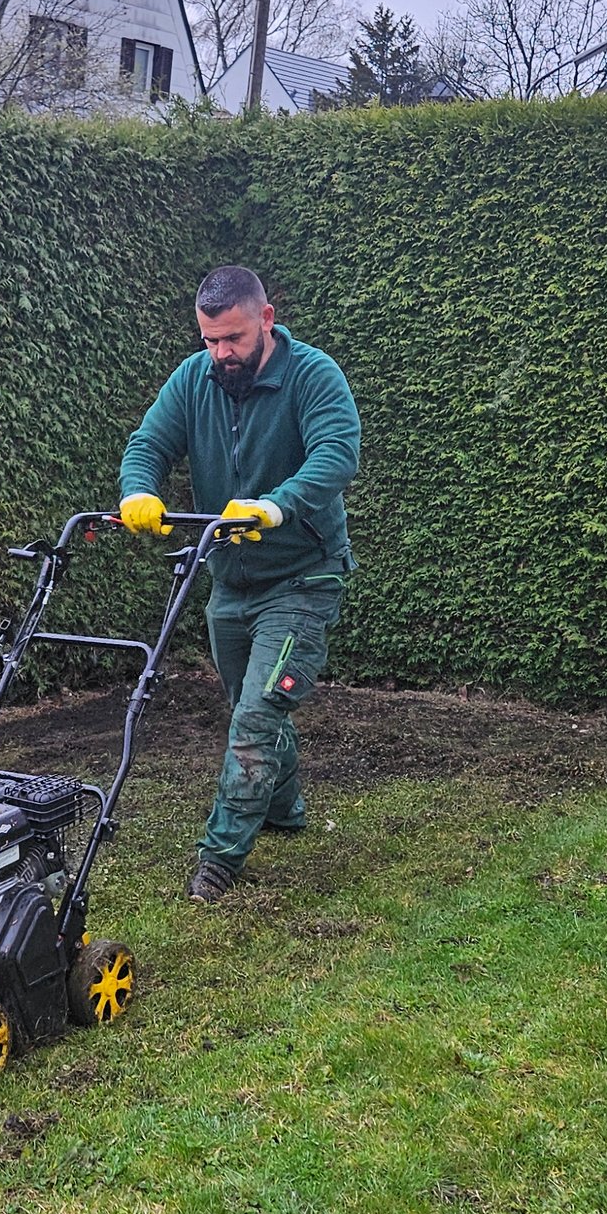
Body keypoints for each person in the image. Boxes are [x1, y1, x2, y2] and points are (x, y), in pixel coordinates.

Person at [118, 264, 362, 903]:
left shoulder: (312, 375)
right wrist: (138, 490)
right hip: (230, 580)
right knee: (251, 704)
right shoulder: (193, 378)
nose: (221, 353)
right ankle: (284, 809)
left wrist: (276, 506)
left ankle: (220, 858)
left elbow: (337, 454)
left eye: (233, 338)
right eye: (210, 340)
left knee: (256, 714)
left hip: (303, 575)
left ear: (266, 320)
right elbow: (148, 443)